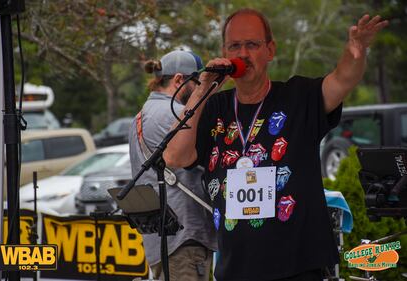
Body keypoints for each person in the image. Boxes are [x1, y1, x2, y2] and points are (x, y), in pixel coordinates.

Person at [163, 8, 388, 281]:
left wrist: (356, 51)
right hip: (235, 268)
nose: (243, 53)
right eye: (235, 45)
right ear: (224, 50)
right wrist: (202, 88)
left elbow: (343, 79)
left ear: (270, 50)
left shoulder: (297, 97)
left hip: (297, 266)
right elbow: (174, 156)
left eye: (252, 44)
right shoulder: (213, 108)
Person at [128, 50, 217, 281]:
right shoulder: (177, 114)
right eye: (198, 83)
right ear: (179, 80)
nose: (200, 90)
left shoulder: (141, 115)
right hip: (185, 235)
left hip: (161, 240)